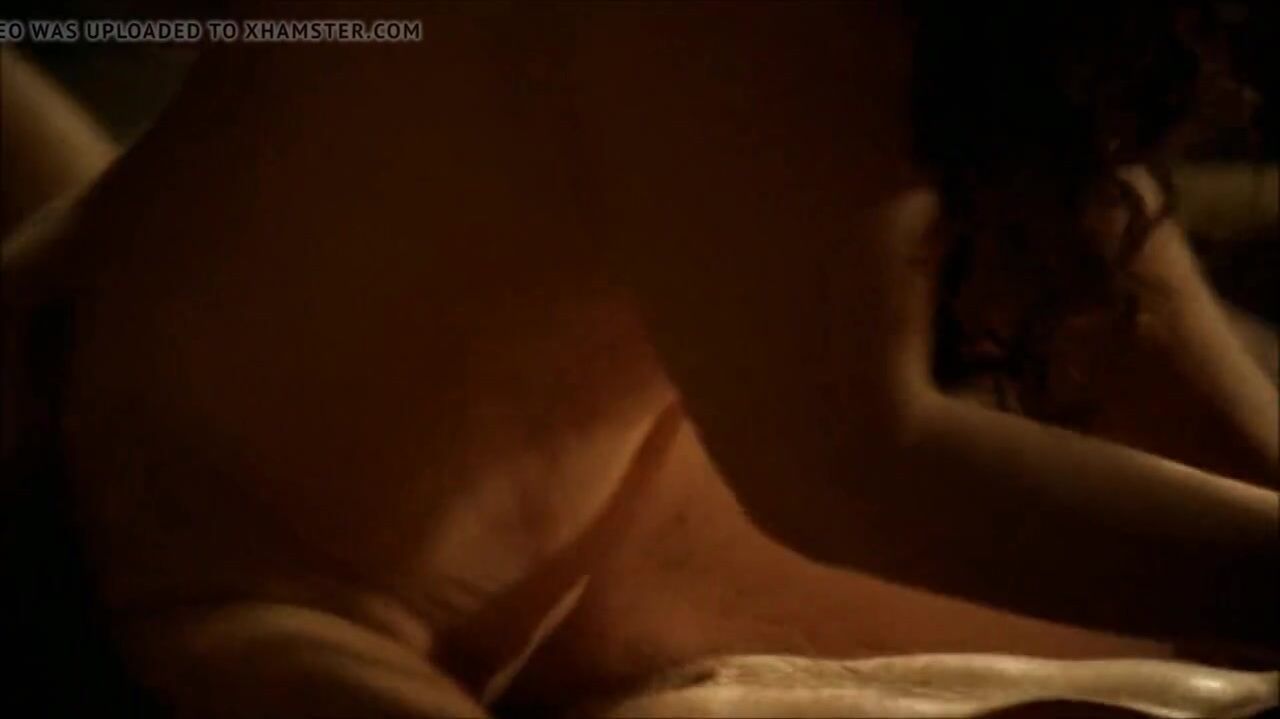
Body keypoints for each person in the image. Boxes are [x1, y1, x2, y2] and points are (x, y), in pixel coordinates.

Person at [3, 3, 1275, 716]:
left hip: (616, 508)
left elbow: (1083, 237)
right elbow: (847, 460)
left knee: (1182, 641)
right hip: (227, 560)